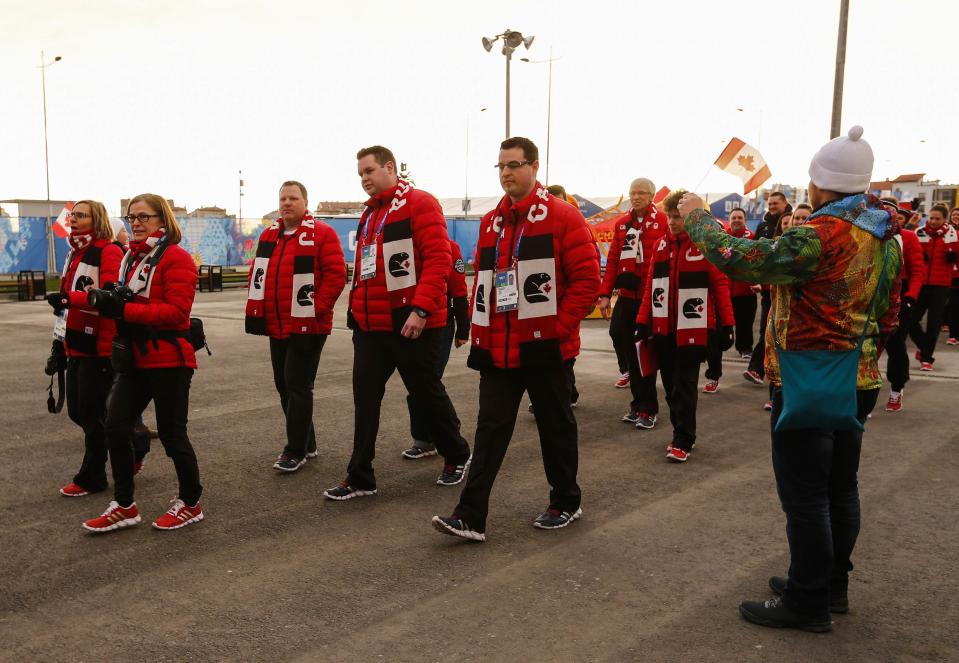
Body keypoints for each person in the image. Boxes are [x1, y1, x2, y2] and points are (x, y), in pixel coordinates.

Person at [678, 126, 901, 631]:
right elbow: (889, 306)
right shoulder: (885, 229)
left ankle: (807, 601)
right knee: (842, 488)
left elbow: (739, 258)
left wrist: (696, 216)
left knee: (805, 496)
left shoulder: (818, 235)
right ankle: (829, 584)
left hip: (808, 376)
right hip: (859, 374)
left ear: (820, 184)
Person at [432, 136, 600, 542]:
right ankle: (469, 516)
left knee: (555, 427)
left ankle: (566, 501)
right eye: (501, 166)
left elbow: (587, 281)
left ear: (535, 166)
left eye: (514, 165)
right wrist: (478, 332)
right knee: (490, 428)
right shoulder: (492, 220)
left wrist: (557, 328)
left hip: (546, 347)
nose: (507, 172)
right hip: (498, 351)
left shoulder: (563, 217)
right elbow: (486, 283)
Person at [324, 146, 472, 500]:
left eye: (370, 171)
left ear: (390, 168)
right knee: (366, 399)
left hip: (412, 322)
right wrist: (354, 314)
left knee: (426, 393)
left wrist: (420, 310)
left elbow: (438, 260)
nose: (364, 179)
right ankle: (360, 476)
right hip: (371, 327)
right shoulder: (369, 215)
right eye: (360, 174)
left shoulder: (420, 203)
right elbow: (364, 268)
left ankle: (458, 454)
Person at [82, 194, 205, 532]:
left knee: (172, 434)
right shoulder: (131, 258)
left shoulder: (176, 258)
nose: (135, 222)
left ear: (162, 221)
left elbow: (177, 312)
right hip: (135, 358)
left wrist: (123, 309)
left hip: (169, 360)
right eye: (131, 216)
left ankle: (191, 502)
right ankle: (124, 504)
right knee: (116, 427)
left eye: (143, 217)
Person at [245, 181, 346, 472]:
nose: (287, 203)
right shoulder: (269, 236)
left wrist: (316, 309)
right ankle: (307, 442)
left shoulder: (321, 234)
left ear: (304, 202)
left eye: (293, 198)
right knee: (283, 386)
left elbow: (336, 275)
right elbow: (257, 272)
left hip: (308, 325)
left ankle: (295, 450)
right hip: (276, 324)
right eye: (283, 198)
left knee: (297, 385)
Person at [635, 190, 734, 462]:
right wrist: (642, 321)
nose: (673, 222)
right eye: (670, 217)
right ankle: (679, 429)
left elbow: (720, 286)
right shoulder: (660, 246)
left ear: (691, 217)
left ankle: (684, 439)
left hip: (695, 331)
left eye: (678, 217)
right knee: (670, 388)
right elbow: (650, 290)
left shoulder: (705, 246)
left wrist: (727, 324)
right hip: (663, 332)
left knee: (685, 385)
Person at [45, 201, 124, 497]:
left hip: (99, 347)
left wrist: (70, 299)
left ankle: (92, 476)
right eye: (72, 215)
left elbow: (108, 297)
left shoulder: (109, 251)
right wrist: (59, 338)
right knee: (79, 412)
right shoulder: (74, 253)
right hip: (75, 342)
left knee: (90, 415)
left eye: (81, 215)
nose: (74, 219)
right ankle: (136, 439)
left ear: (96, 220)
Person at [597, 178, 667, 426]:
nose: (636, 197)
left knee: (643, 353)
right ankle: (637, 403)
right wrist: (605, 294)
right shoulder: (622, 224)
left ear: (651, 195)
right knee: (620, 336)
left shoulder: (663, 222)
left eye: (641, 193)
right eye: (632, 193)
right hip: (627, 295)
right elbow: (614, 259)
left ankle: (648, 408)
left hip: (650, 297)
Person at [401, 238, 470, 459]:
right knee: (416, 386)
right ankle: (423, 439)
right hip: (407, 324)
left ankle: (447, 435)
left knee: (429, 383)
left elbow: (458, 290)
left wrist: (463, 331)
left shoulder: (450, 246)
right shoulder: (403, 244)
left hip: (440, 324)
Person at [743, 192, 793, 388]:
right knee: (767, 330)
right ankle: (759, 370)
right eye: (769, 203)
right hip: (767, 291)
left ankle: (777, 378)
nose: (771, 206)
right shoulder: (763, 226)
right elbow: (756, 254)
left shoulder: (795, 223)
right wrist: (756, 279)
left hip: (790, 293)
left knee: (783, 334)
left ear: (785, 203)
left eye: (775, 203)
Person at [881, 201, 925, 412]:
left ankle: (896, 389)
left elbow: (918, 271)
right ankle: (861, 394)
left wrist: (910, 298)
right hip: (874, 295)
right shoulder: (870, 236)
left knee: (896, 344)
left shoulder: (908, 237)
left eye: (893, 214)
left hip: (901, 296)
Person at [909, 203, 957, 371]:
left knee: (934, 324)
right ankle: (924, 349)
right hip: (920, 284)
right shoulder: (918, 233)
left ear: (944, 220)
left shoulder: (953, 235)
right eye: (931, 218)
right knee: (910, 320)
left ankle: (926, 359)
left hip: (941, 285)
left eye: (938, 219)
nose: (934, 221)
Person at [725, 208, 758, 359]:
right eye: (734, 218)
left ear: (745, 220)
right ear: (729, 220)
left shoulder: (751, 237)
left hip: (746, 290)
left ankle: (745, 348)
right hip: (725, 290)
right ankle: (722, 345)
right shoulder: (723, 238)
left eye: (740, 217)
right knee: (724, 323)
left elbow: (758, 262)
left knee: (745, 323)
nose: (736, 220)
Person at [946, 206, 959, 346]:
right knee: (954, 304)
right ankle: (953, 334)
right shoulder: (948, 230)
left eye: (958, 215)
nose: (956, 216)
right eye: (954, 214)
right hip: (952, 273)